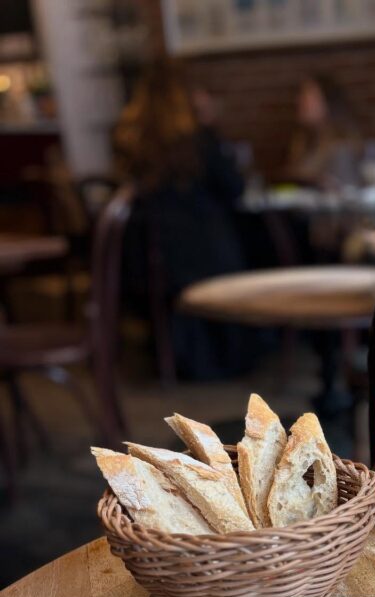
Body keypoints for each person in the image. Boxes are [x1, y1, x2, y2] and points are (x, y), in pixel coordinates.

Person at [114, 60, 252, 379]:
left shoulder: (129, 141)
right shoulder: (197, 140)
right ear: (188, 97)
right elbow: (235, 189)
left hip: (149, 264)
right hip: (205, 260)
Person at [282, 75, 362, 190]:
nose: (299, 101)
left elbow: (348, 194)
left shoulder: (342, 148)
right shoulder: (301, 142)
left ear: (328, 103)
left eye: (308, 97)